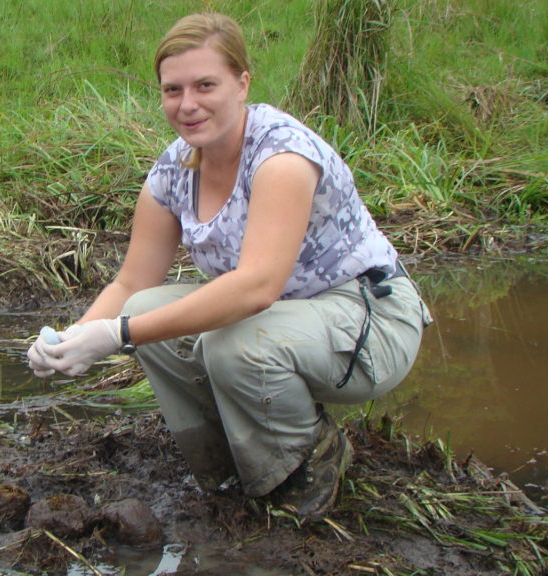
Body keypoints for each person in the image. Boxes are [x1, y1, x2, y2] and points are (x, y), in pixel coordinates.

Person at [27, 12, 432, 520]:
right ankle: (229, 472)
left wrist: (119, 335)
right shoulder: (173, 169)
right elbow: (131, 280)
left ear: (242, 83)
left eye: (205, 85)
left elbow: (257, 287)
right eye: (172, 90)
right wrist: (72, 338)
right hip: (285, 321)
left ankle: (308, 468)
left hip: (369, 319)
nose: (188, 104)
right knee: (145, 306)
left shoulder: (281, 156)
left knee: (232, 343)